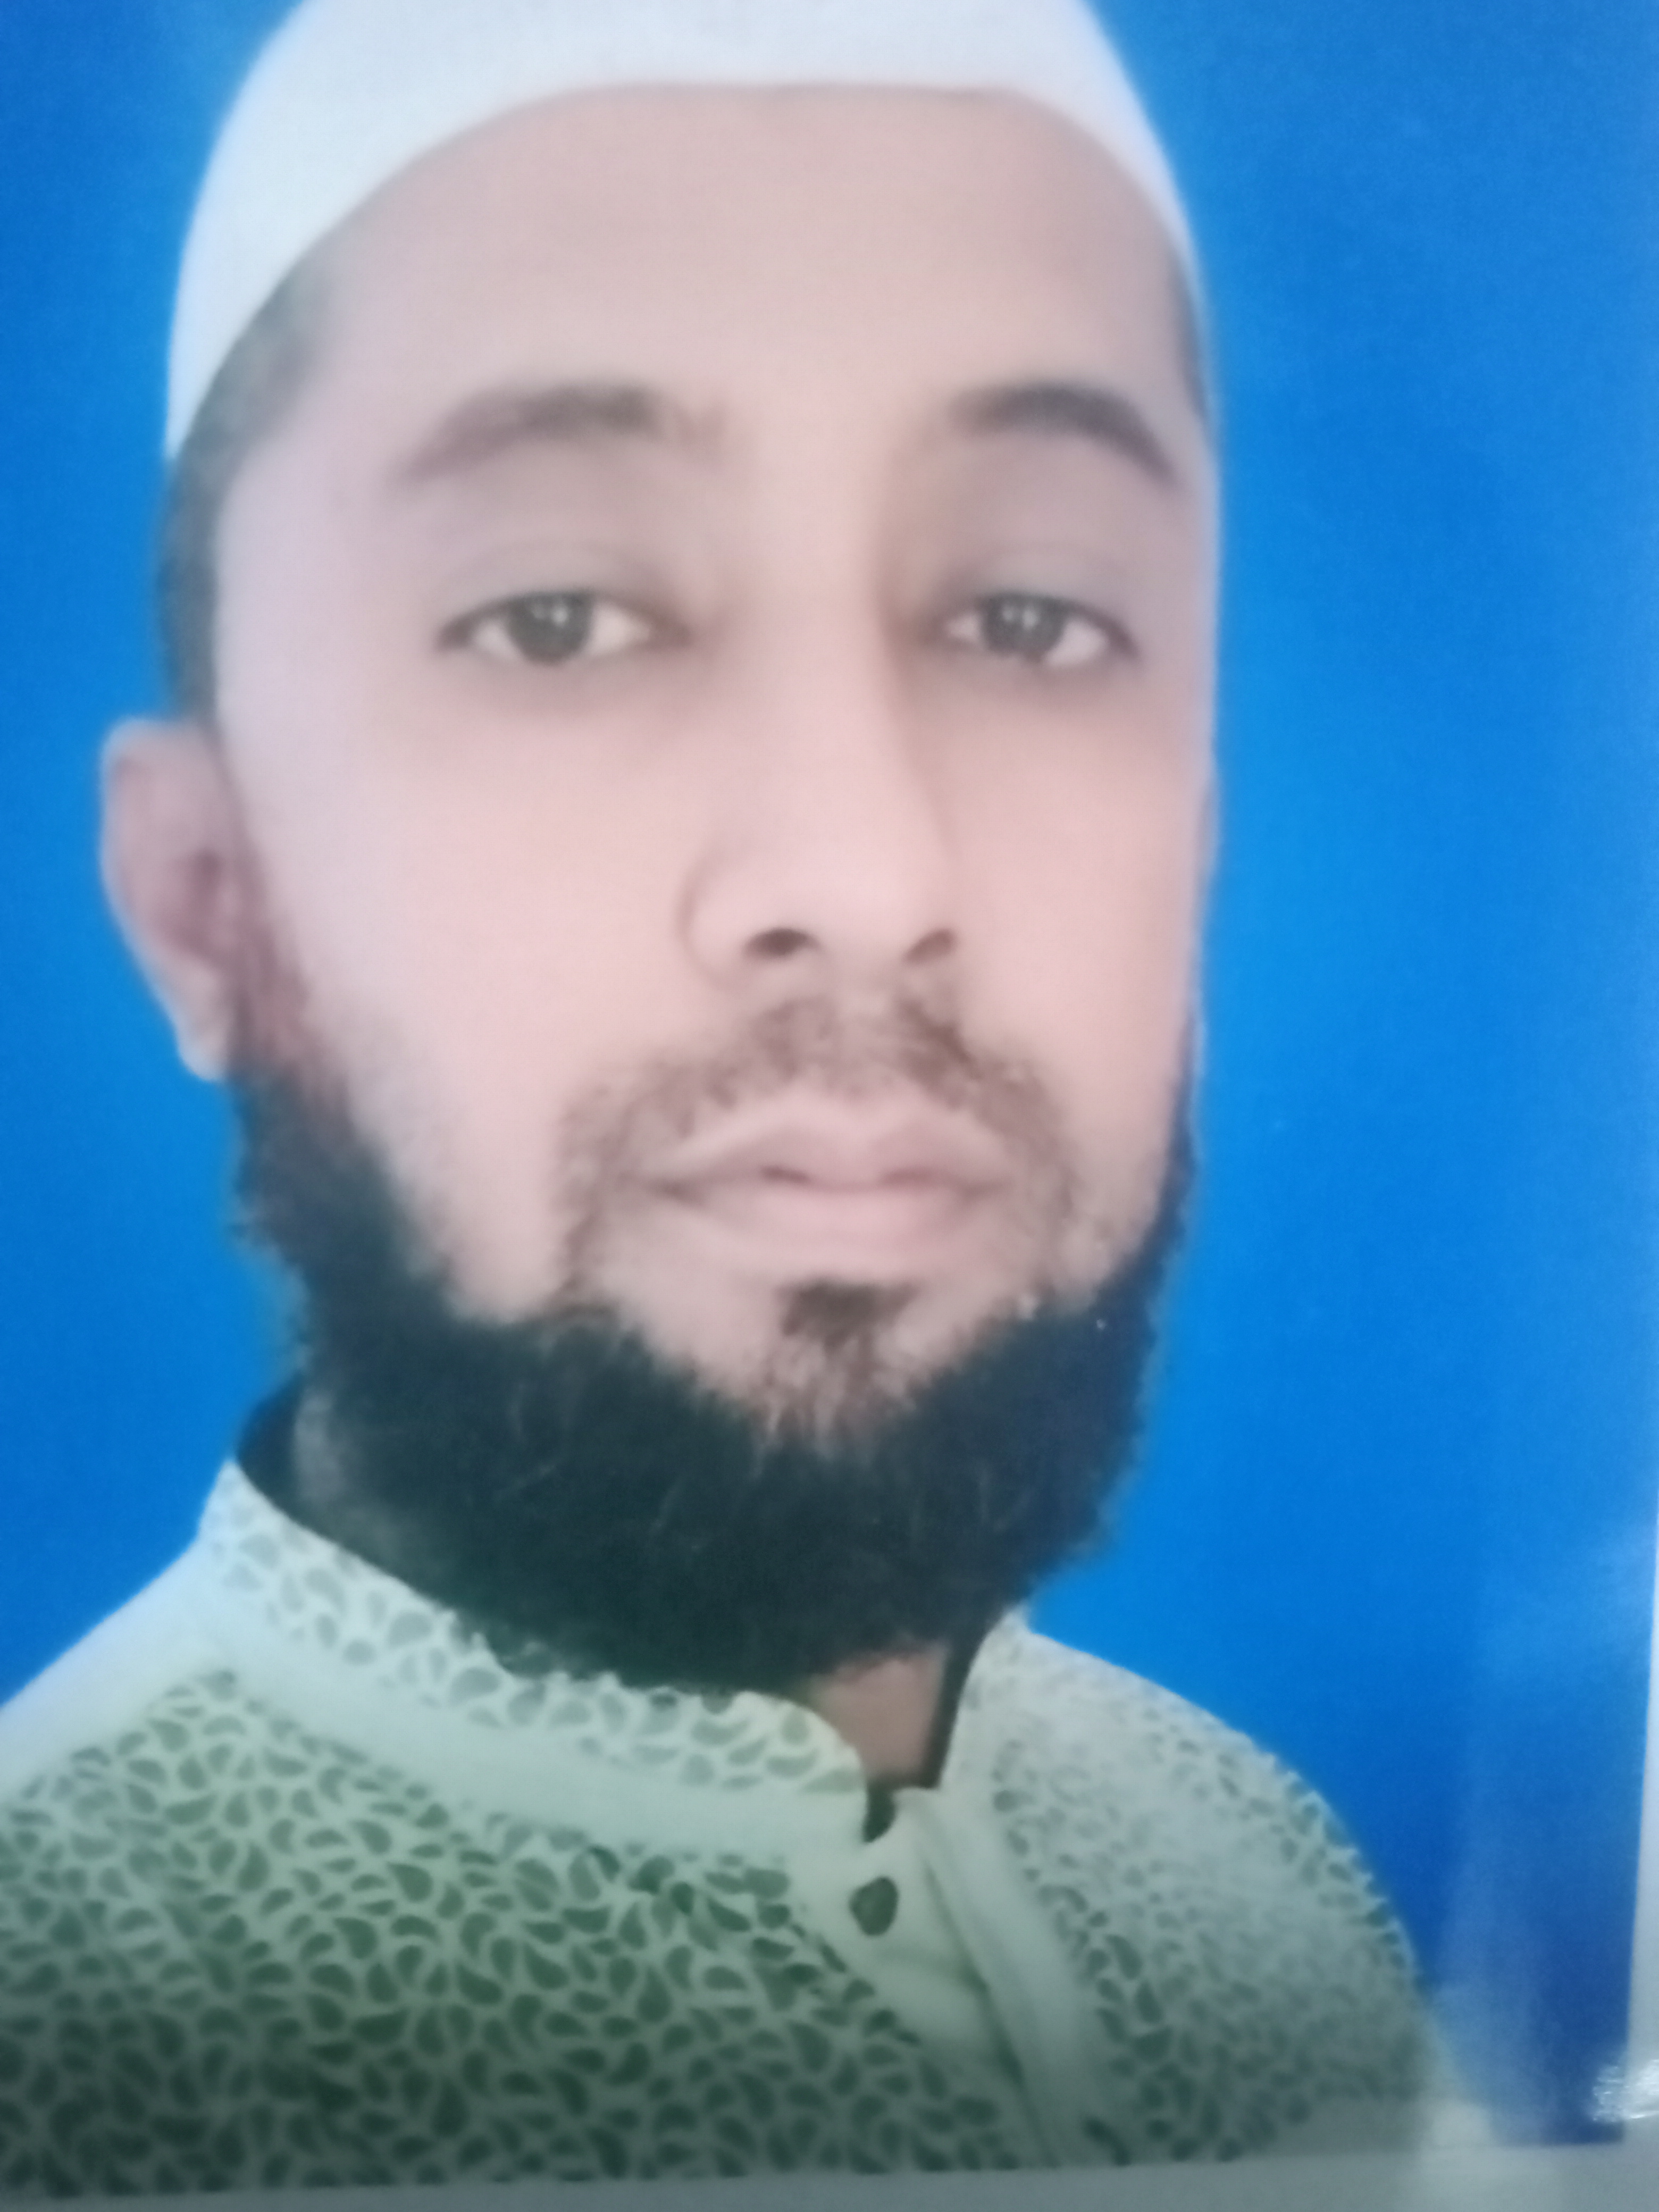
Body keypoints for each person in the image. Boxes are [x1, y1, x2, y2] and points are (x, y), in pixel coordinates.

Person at [0, 0, 1460, 2192]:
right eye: (560, 616)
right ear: (205, 902)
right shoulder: (63, 2046)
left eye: (1031, 615)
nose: (868, 874)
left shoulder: (1272, 1892)